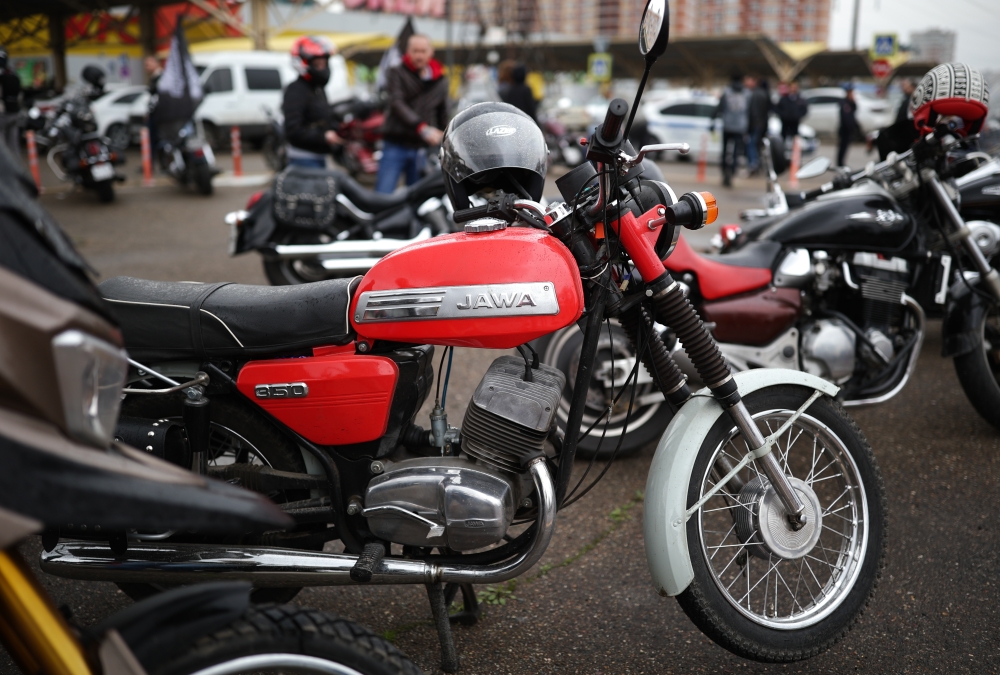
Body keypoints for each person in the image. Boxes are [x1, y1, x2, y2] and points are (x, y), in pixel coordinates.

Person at [376, 33, 448, 193]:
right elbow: (397, 103)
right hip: (395, 143)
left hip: (421, 147)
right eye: (415, 51)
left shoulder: (440, 80)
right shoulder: (396, 72)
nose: (419, 55)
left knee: (418, 195)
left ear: (431, 52)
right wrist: (421, 128)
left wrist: (446, 136)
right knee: (383, 194)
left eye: (423, 51)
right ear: (408, 52)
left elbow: (442, 112)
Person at [282, 35, 342, 169]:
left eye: (324, 63)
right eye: (317, 64)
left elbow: (324, 117)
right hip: (303, 160)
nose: (322, 68)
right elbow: (293, 130)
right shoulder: (296, 90)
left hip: (320, 157)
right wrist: (324, 136)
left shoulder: (318, 89)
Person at [712, 73, 750, 188]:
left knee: (725, 150)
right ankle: (732, 171)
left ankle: (725, 171)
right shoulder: (747, 94)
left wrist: (713, 120)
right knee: (736, 152)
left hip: (727, 125)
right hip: (741, 127)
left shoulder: (727, 92)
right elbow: (750, 111)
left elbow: (719, 108)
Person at [875, 78, 919, 160]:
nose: (904, 88)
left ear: (912, 87)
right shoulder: (905, 99)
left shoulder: (914, 100)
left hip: (907, 133)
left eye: (906, 85)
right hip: (901, 131)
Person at [0, 46, 22, 164]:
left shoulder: (3, 75)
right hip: (14, 112)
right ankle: (16, 168)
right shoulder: (12, 73)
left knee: (3, 146)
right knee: (13, 146)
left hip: (3, 114)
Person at [745, 74, 770, 174]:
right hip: (762, 125)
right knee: (757, 145)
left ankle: (753, 164)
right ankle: (758, 164)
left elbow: (753, 112)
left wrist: (749, 126)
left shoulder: (754, 94)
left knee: (751, 144)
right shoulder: (765, 93)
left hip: (755, 125)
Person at [776, 80, 808, 148]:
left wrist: (798, 116)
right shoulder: (784, 99)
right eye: (792, 87)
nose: (793, 89)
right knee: (783, 139)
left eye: (795, 87)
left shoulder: (800, 99)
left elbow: (804, 110)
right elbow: (778, 109)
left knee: (795, 139)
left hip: (795, 123)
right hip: (785, 123)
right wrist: (783, 115)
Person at [838, 85, 859, 168]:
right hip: (844, 129)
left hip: (849, 130)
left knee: (846, 147)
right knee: (842, 147)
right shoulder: (844, 103)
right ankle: (840, 163)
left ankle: (841, 163)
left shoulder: (850, 102)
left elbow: (855, 109)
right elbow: (846, 117)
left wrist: (853, 101)